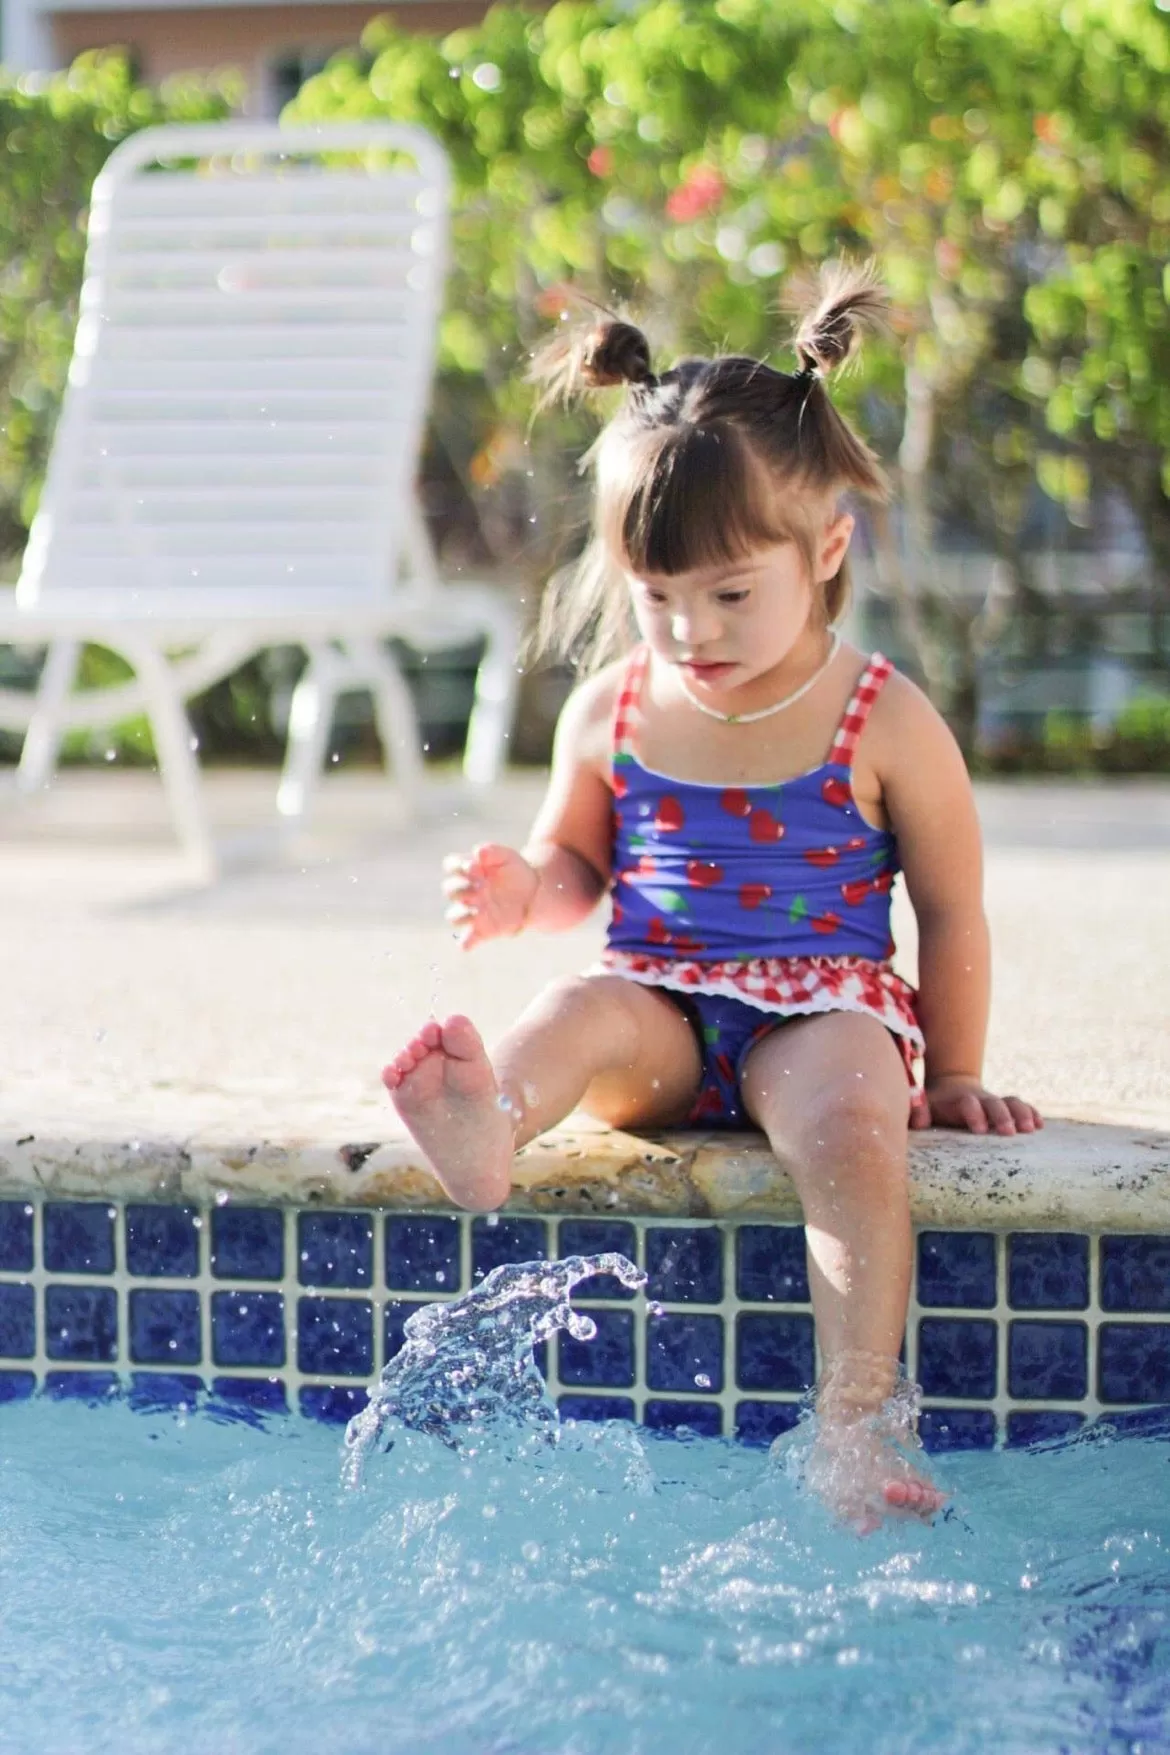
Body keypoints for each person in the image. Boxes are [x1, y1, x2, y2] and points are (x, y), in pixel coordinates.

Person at [382, 264, 1042, 1528]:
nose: (692, 631)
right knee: (579, 1005)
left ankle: (857, 1420)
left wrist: (952, 1070)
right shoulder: (614, 708)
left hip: (819, 1014)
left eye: (731, 594)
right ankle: (492, 1120)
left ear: (827, 548)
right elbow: (579, 869)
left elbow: (953, 912)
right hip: (662, 1013)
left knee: (856, 1132)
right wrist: (528, 888)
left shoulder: (882, 718)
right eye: (659, 599)